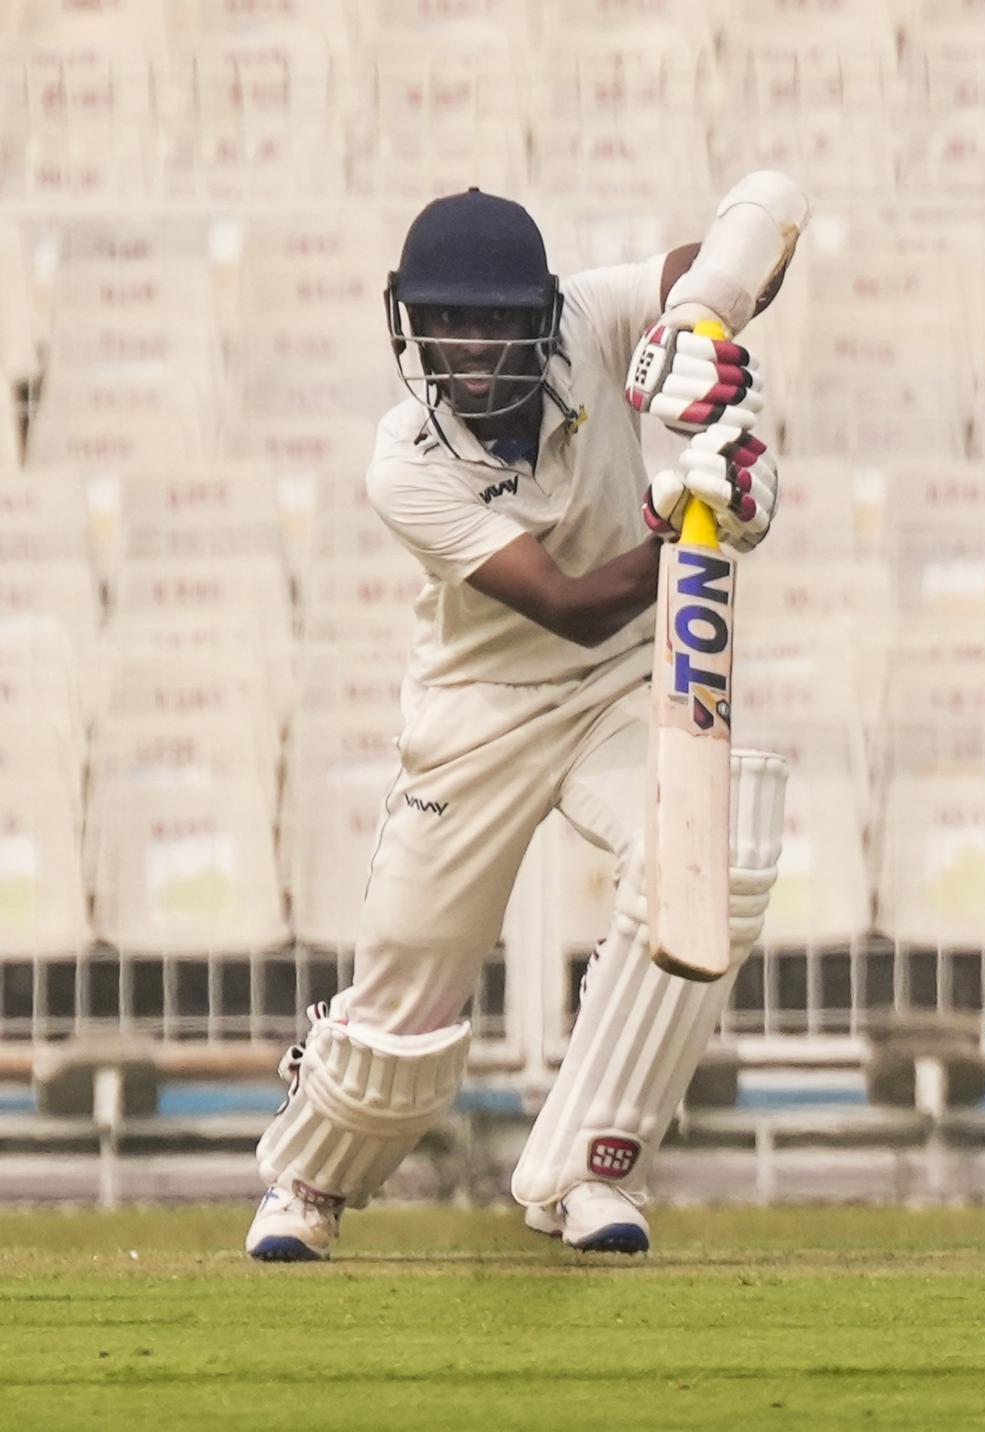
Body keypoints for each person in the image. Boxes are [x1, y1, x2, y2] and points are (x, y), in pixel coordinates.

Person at [245, 173, 807, 1261]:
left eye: (495, 321)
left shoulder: (595, 317)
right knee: (406, 993)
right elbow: (571, 605)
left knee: (711, 856)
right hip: (478, 711)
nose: (469, 347)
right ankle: (309, 1182)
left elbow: (766, 213)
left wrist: (703, 316)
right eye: (444, 321)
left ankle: (594, 1168)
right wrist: (702, 514)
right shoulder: (402, 463)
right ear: (408, 320)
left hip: (615, 697)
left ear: (542, 314)